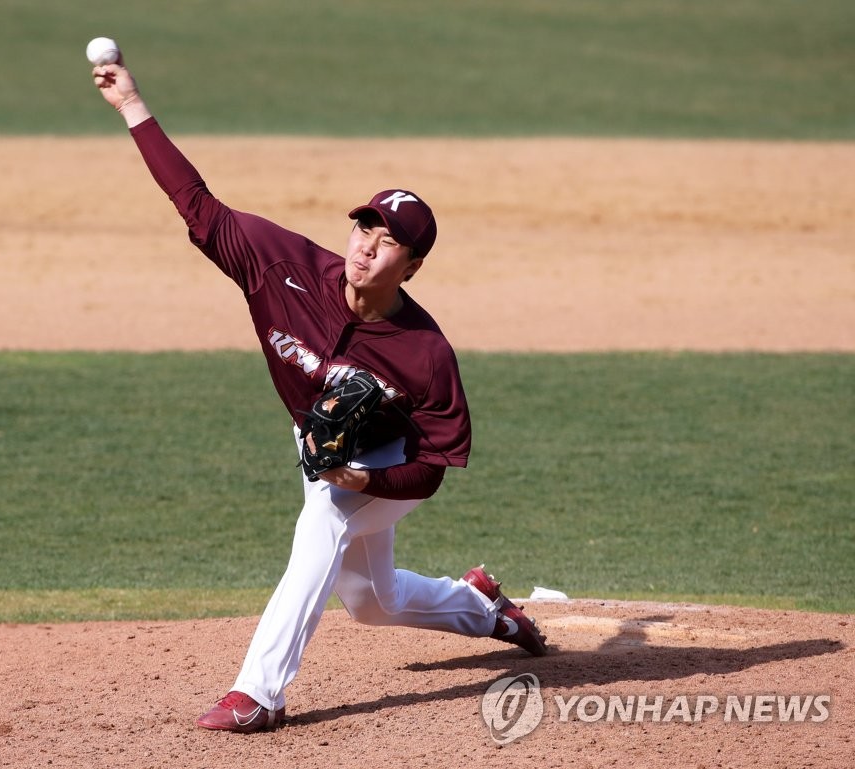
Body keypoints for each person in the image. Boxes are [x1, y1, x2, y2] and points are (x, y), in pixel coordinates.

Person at [91, 52, 547, 735]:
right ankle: (484, 606)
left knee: (325, 520)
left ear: (413, 266)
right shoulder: (281, 266)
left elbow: (438, 461)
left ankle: (260, 692)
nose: (368, 245)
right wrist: (133, 105)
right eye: (365, 226)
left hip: (393, 458)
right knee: (371, 600)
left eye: (389, 240)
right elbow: (198, 204)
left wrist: (369, 474)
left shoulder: (425, 352)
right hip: (322, 442)